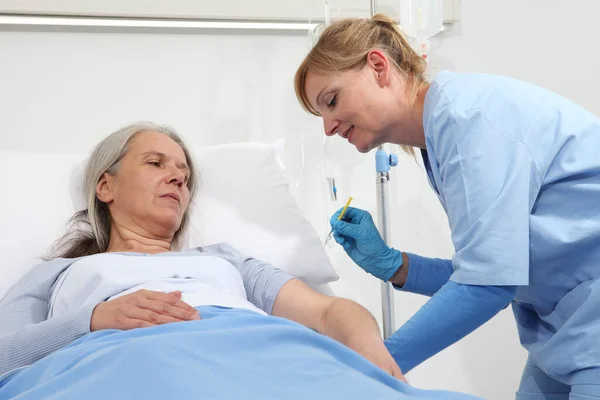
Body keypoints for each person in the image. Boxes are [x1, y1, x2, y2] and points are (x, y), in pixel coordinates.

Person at [294, 13, 600, 399]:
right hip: (564, 335)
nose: (328, 127)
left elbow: (489, 284)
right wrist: (395, 264)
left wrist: (374, 362)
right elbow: (493, 270)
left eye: (332, 101)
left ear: (378, 66)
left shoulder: (469, 120)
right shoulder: (440, 138)